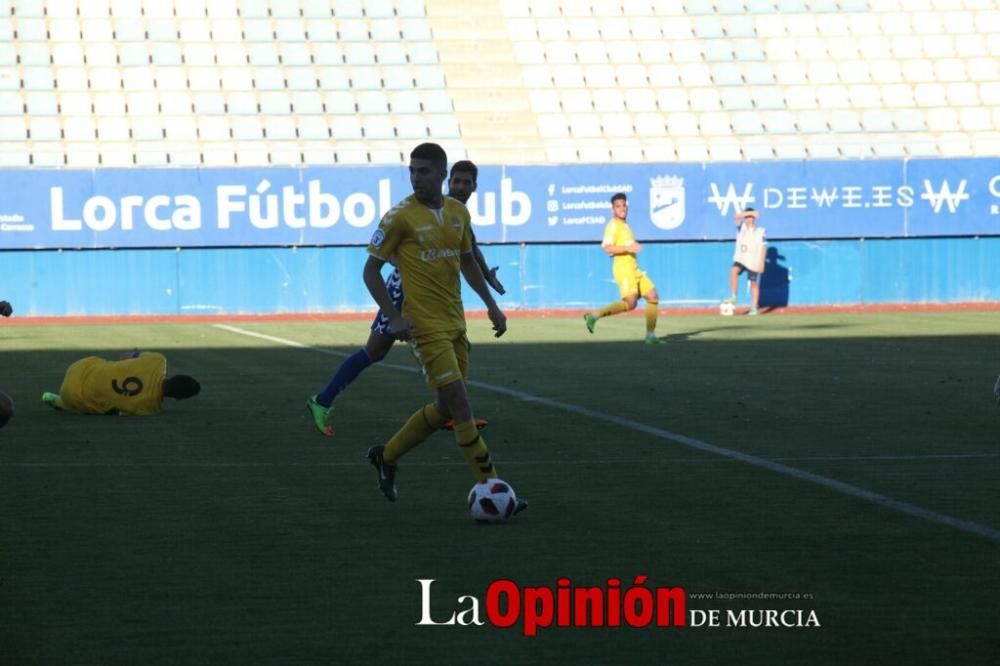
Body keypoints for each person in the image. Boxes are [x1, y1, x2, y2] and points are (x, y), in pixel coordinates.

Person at [362, 142, 524, 514]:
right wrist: (394, 316)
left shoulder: (456, 214)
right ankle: (493, 487)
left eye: (424, 171)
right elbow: (371, 270)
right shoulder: (398, 217)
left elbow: (467, 261)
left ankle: (386, 457)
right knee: (462, 406)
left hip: (455, 322)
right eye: (412, 171)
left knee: (445, 408)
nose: (416, 178)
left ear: (441, 174)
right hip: (424, 327)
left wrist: (491, 305)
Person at [305, 160, 505, 437]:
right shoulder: (423, 211)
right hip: (406, 291)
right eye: (456, 181)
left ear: (474, 187)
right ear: (447, 181)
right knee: (394, 349)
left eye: (466, 182)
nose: (460, 187)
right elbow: (384, 256)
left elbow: (469, 252)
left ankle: (324, 400)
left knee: (380, 351)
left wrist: (487, 277)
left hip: (430, 296)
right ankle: (451, 410)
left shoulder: (456, 213)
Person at [583, 193, 663, 344]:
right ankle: (594, 316)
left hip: (634, 268)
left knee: (653, 296)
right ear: (612, 209)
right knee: (630, 303)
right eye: (618, 206)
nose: (622, 208)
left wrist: (632, 247)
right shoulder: (612, 225)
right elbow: (607, 248)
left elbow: (626, 246)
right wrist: (629, 247)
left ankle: (650, 336)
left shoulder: (625, 225)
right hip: (623, 269)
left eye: (623, 205)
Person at [40, 350, 200, 415]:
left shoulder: (158, 361)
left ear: (175, 375)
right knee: (106, 409)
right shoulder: (150, 408)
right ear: (178, 398)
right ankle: (57, 400)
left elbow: (124, 356)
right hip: (73, 397)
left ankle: (61, 399)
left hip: (80, 367)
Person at [724, 206, 767, 316]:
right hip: (741, 258)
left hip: (753, 260)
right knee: (733, 271)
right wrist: (747, 214)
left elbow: (763, 247)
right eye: (747, 217)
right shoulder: (741, 227)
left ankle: (753, 307)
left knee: (753, 283)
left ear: (754, 219)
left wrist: (761, 263)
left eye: (751, 217)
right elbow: (736, 216)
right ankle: (734, 296)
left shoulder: (761, 231)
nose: (749, 219)